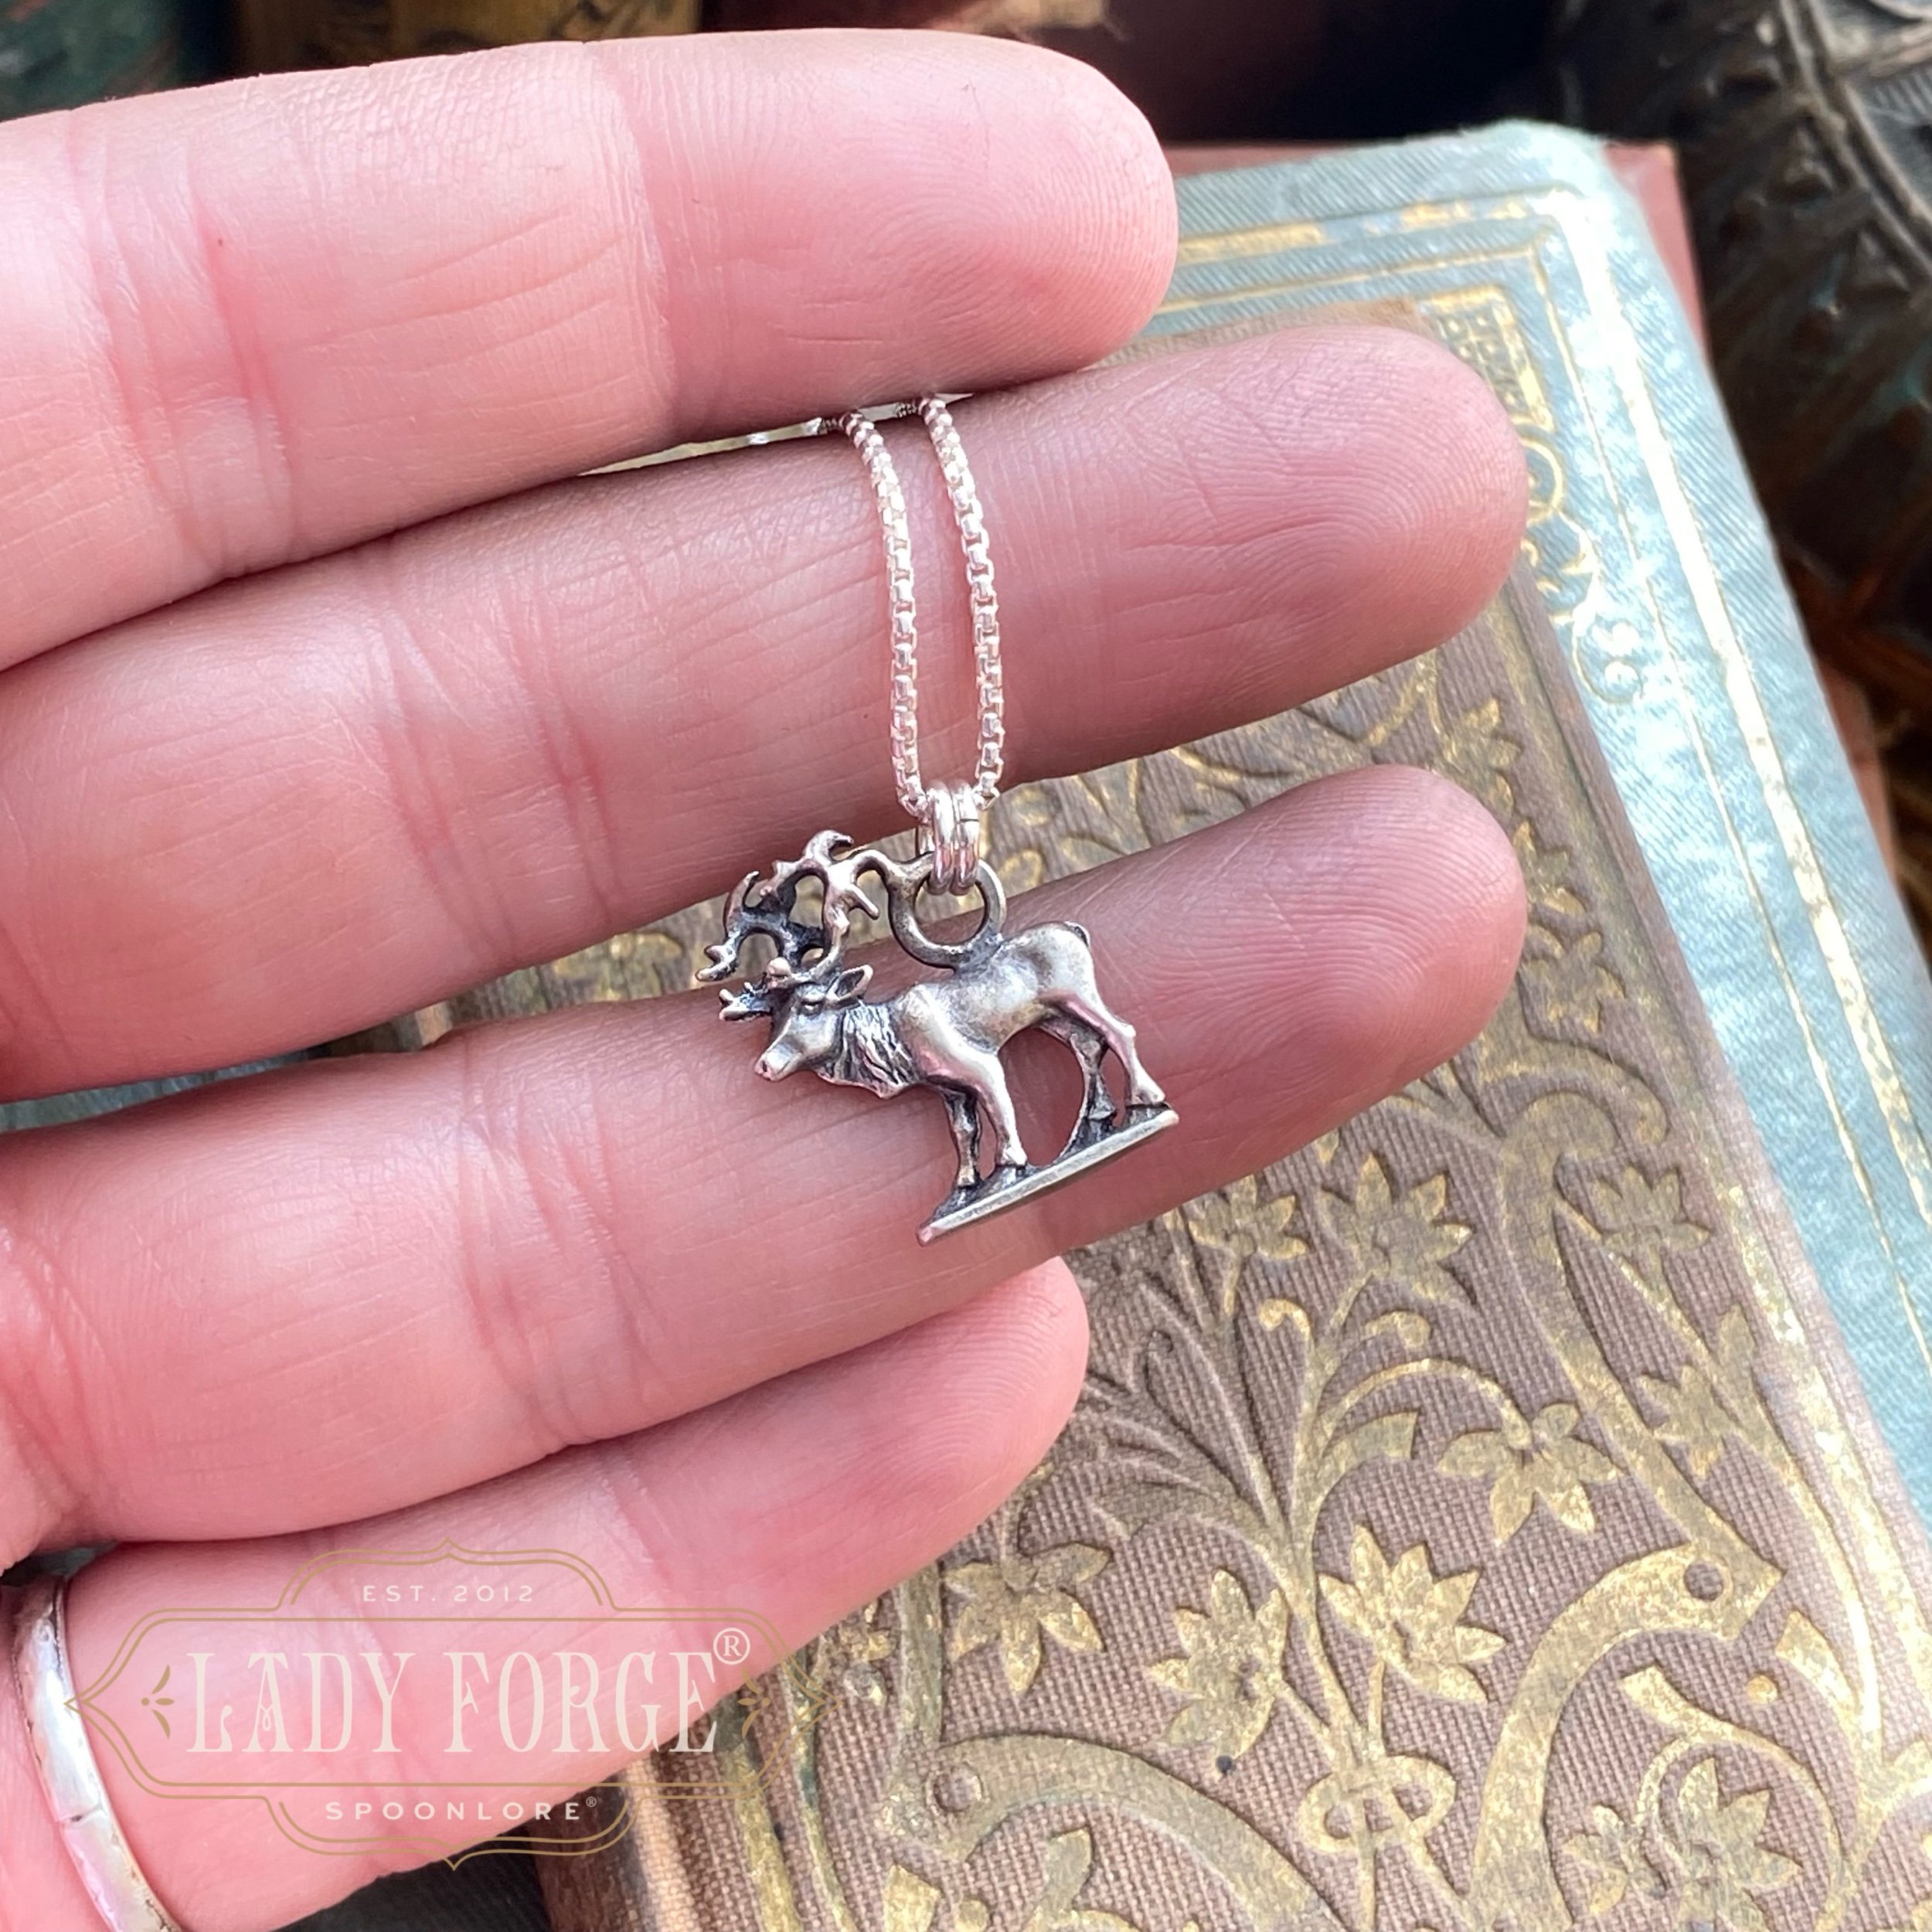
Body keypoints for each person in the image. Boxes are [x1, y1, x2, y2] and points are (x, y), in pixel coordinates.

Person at [0, 28, 1527, 1929]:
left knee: (1059, 1039)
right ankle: (1047, 1126)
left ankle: (1084, 1107)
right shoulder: (865, 996)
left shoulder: (924, 974)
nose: (789, 1013)